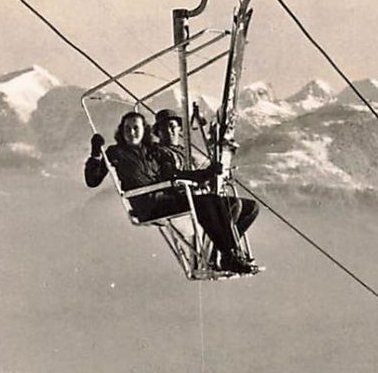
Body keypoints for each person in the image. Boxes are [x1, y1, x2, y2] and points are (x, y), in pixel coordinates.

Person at [85, 111, 256, 275]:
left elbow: (175, 174)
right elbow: (93, 180)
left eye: (135, 127)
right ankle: (228, 255)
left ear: (144, 130)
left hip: (165, 198)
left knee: (248, 207)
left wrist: (207, 173)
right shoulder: (116, 152)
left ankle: (227, 252)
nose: (131, 132)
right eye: (127, 128)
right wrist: (95, 154)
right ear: (121, 132)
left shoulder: (153, 151)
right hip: (148, 204)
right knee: (208, 201)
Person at [153, 109, 258, 257]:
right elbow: (172, 174)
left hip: (195, 193)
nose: (169, 131)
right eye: (163, 128)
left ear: (179, 129)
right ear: (158, 132)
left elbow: (194, 172)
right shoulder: (159, 152)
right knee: (228, 206)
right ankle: (226, 253)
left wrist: (209, 177)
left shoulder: (183, 152)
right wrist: (204, 174)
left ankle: (222, 249)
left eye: (172, 126)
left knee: (250, 207)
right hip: (178, 197)